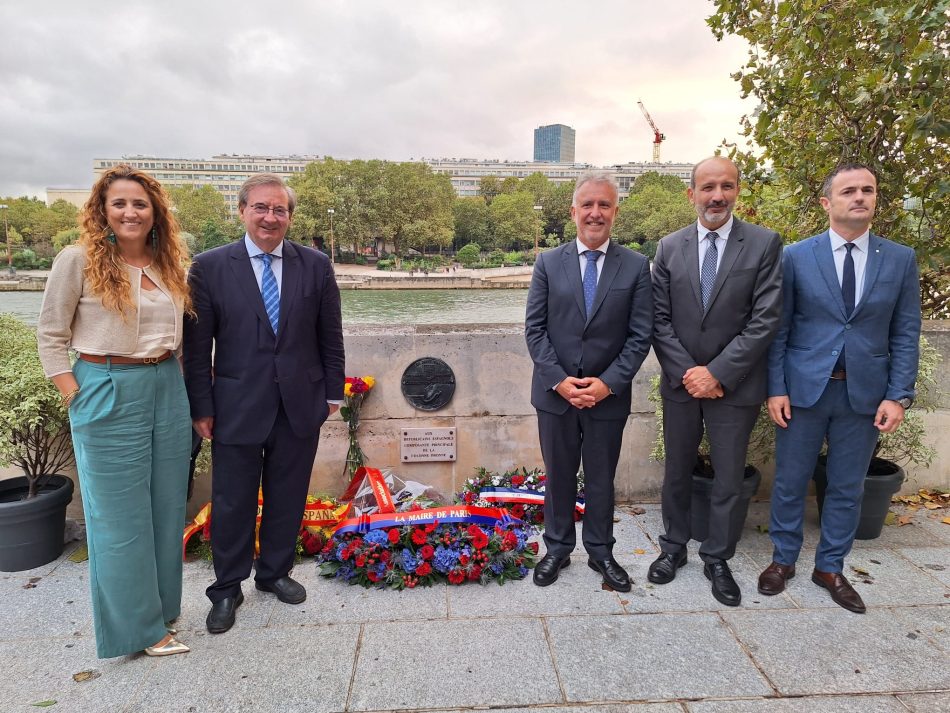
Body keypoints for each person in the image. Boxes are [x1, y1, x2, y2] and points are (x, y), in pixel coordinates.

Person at [37, 164, 193, 658]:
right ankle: (139, 630)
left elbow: (178, 335)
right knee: (119, 518)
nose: (130, 211)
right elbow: (51, 335)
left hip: (166, 384)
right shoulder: (78, 259)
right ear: (102, 210)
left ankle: (163, 607)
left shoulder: (167, 263)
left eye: (140, 204)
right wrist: (73, 391)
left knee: (167, 507)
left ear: (154, 213)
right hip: (105, 383)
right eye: (120, 203)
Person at [183, 173, 345, 634]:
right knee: (232, 500)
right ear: (242, 211)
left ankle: (274, 573)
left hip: (300, 404)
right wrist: (201, 407)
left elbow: (329, 336)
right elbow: (198, 349)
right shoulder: (210, 267)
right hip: (234, 405)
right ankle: (227, 588)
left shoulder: (314, 265)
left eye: (280, 210)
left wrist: (332, 394)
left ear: (290, 217)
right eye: (261, 208)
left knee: (287, 496)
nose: (270, 217)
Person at [760, 163, 920, 613]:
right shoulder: (795, 256)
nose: (860, 197)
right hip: (805, 391)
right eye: (849, 191)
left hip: (864, 396)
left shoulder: (900, 259)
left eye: (868, 190)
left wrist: (898, 393)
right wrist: (776, 387)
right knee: (790, 482)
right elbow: (780, 328)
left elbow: (906, 331)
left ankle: (830, 567)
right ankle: (783, 561)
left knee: (847, 486)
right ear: (827, 203)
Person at [649, 156, 783, 607]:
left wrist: (718, 373)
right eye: (707, 187)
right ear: (692, 194)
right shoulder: (668, 247)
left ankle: (717, 557)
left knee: (728, 476)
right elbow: (659, 320)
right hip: (682, 384)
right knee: (677, 471)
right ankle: (673, 547)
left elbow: (765, 320)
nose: (717, 196)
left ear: (737, 191)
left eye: (726, 186)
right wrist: (691, 374)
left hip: (734, 387)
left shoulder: (764, 244)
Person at [525, 171, 653, 592]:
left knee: (601, 478)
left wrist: (608, 383)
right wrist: (560, 381)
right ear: (573, 212)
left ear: (615, 211)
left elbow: (639, 336)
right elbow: (535, 330)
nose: (595, 213)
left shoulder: (635, 267)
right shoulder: (547, 262)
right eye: (588, 205)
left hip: (607, 398)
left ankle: (601, 552)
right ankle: (557, 549)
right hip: (555, 396)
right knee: (559, 476)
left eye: (604, 205)